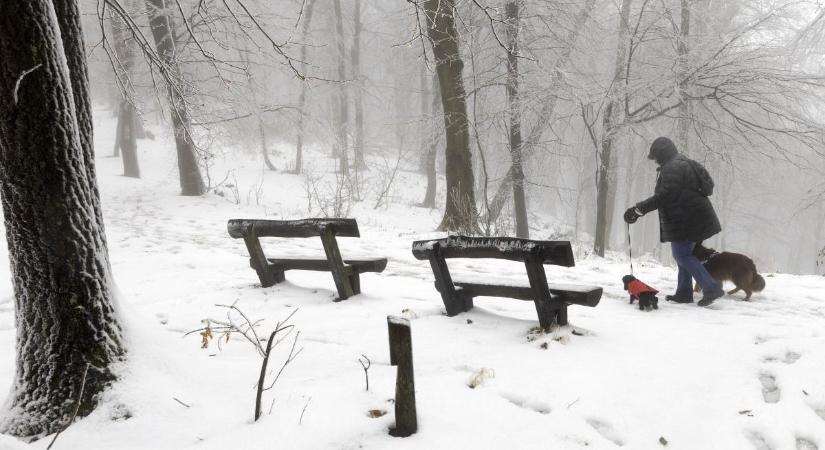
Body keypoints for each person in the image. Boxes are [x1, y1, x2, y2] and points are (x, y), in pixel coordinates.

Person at [624, 137, 725, 307]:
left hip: (687, 220)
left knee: (682, 255)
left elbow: (664, 196)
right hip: (693, 218)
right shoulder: (683, 162)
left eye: (656, 156)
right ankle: (684, 292)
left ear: (662, 153)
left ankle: (711, 288)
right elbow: (706, 186)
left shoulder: (673, 168)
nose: (655, 159)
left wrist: (637, 210)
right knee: (684, 255)